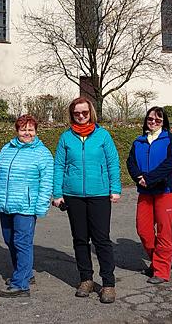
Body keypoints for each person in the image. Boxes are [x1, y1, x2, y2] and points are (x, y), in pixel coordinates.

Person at [51, 96, 122, 304]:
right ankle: (86, 279)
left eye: (84, 112)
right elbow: (58, 166)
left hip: (99, 194)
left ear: (91, 112)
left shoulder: (103, 136)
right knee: (80, 239)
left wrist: (115, 188)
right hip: (73, 195)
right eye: (77, 113)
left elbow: (113, 162)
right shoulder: (66, 138)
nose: (81, 116)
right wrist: (57, 193)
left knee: (102, 240)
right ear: (72, 115)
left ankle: (108, 283)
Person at [0, 113, 54, 298]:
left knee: (22, 243)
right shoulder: (6, 148)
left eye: (30, 129)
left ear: (36, 131)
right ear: (17, 130)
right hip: (6, 203)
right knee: (9, 240)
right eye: (23, 129)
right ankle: (24, 274)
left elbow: (46, 182)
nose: (27, 133)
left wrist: (41, 205)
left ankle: (21, 285)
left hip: (26, 206)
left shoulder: (42, 153)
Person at [126, 106, 172, 284]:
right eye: (150, 119)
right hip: (146, 191)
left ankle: (161, 271)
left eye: (158, 120)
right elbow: (131, 162)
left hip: (166, 190)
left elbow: (171, 163)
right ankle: (157, 261)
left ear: (163, 122)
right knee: (143, 230)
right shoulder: (139, 141)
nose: (153, 122)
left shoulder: (170, 139)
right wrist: (139, 178)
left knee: (164, 231)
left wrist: (150, 178)